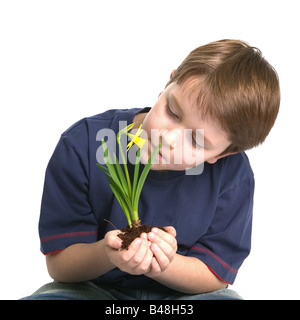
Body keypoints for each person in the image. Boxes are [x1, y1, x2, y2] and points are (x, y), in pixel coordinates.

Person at [22, 39, 280, 300]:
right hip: (91, 291)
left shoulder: (233, 175)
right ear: (168, 84)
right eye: (172, 111)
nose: (166, 140)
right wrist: (110, 254)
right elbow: (60, 265)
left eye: (196, 141)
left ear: (223, 154)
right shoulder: (85, 142)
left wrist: (162, 264)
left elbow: (214, 276)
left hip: (183, 297)